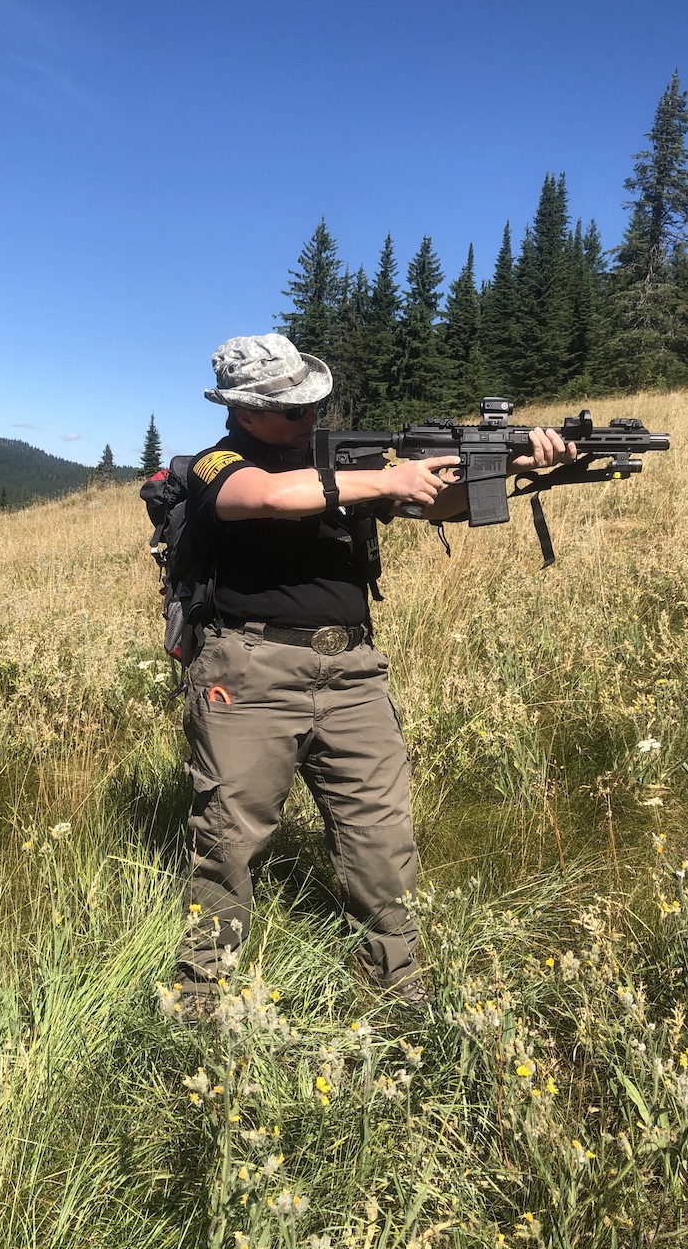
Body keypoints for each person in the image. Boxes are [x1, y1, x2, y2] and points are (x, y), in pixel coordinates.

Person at [175, 333, 574, 1011]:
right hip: (249, 672)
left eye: (313, 406)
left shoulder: (343, 461)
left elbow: (429, 505)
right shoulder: (218, 462)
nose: (308, 419)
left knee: (382, 835)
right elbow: (264, 498)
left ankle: (395, 981)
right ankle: (202, 990)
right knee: (229, 837)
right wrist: (384, 477)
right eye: (292, 410)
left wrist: (504, 464)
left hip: (353, 669)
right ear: (243, 410)